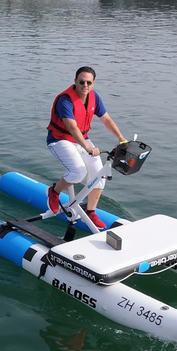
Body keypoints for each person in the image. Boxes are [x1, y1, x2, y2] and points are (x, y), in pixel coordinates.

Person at [46, 67, 127, 230]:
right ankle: (54, 192)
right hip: (60, 140)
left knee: (99, 174)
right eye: (81, 82)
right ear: (75, 81)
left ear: (93, 83)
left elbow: (106, 119)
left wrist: (121, 138)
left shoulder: (94, 97)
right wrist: (87, 147)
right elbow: (72, 126)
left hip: (81, 140)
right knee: (78, 171)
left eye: (88, 82)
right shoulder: (65, 100)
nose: (85, 85)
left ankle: (90, 211)